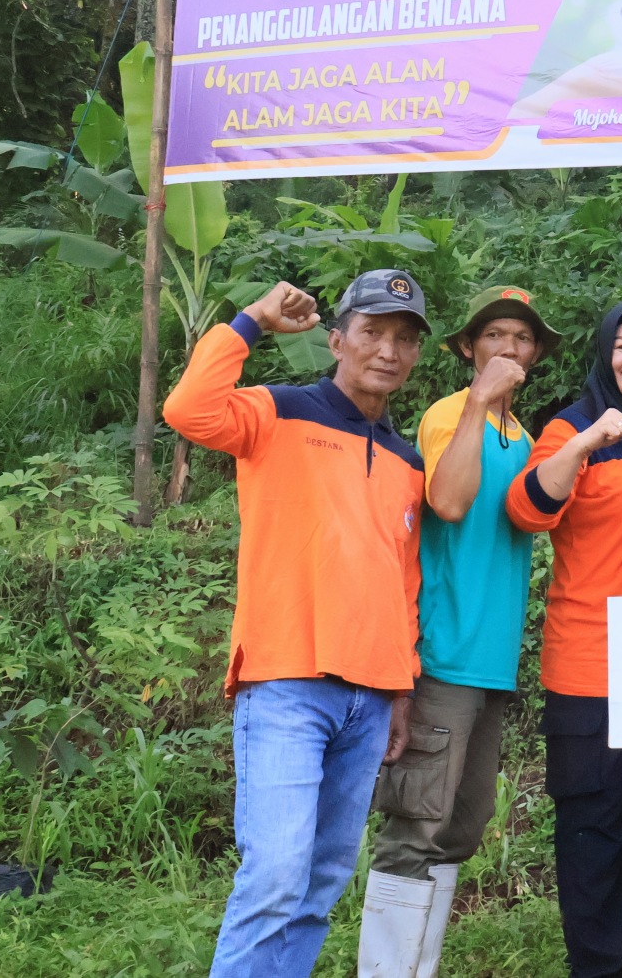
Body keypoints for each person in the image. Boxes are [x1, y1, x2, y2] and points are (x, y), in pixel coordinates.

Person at [163, 271, 428, 978]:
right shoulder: (278, 412)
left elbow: (403, 581)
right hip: (286, 682)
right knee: (276, 875)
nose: (387, 350)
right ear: (336, 339)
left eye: (404, 338)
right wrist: (250, 320)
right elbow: (188, 409)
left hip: (370, 699)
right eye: (372, 331)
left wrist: (401, 689)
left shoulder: (407, 460)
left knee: (320, 883)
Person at [358, 287, 562, 978]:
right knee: (416, 828)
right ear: (469, 348)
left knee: (460, 829)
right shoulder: (452, 413)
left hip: (493, 662)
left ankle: (420, 966)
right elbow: (446, 500)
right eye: (495, 335)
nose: (509, 348)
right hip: (442, 653)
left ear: (536, 353)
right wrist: (478, 399)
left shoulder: (526, 437)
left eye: (522, 338)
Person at [505, 301, 622, 978]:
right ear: (605, 353)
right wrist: (587, 444)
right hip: (590, 667)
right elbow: (528, 507)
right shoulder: (570, 425)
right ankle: (599, 966)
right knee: (593, 834)